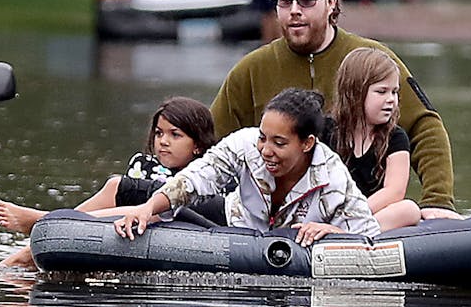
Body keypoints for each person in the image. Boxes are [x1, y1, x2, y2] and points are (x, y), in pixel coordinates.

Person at [210, 0, 457, 216]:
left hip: (366, 215)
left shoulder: (373, 60)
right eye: (285, 1)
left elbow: (425, 127)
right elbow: (208, 140)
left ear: (331, 3)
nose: (294, 10)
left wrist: (437, 201)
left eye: (306, 1)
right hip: (274, 216)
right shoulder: (250, 70)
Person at [114, 88, 379, 247]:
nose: (265, 150)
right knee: (150, 206)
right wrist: (148, 208)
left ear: (307, 143)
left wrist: (336, 233)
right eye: (263, 137)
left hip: (289, 249)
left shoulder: (331, 175)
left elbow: (370, 237)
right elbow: (199, 175)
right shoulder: (245, 144)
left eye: (279, 143)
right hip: (231, 220)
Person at [0, 97, 217, 268]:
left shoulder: (208, 177)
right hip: (137, 217)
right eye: (159, 133)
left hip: (181, 218)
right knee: (117, 186)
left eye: (175, 135)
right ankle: (48, 231)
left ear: (197, 145)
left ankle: (47, 222)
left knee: (134, 196)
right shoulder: (145, 166)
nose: (163, 142)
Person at [325, 47, 437, 231]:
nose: (391, 99)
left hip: (371, 214)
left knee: (409, 210)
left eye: (394, 92)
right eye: (382, 91)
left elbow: (394, 191)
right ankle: (345, 230)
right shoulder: (327, 130)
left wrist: (355, 214)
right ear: (355, 92)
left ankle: (349, 233)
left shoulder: (396, 137)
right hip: (332, 211)